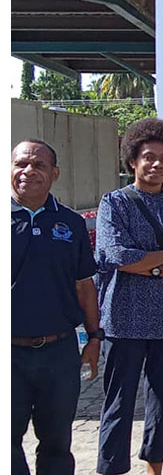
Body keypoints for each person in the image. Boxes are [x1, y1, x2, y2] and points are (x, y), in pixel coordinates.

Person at [94, 118, 163, 475]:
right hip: (123, 318)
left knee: (162, 400)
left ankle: (154, 467)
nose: (157, 164)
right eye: (149, 157)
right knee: (119, 401)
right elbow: (115, 255)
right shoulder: (114, 204)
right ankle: (111, 468)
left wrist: (145, 264)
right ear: (133, 161)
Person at [12, 139, 101, 475]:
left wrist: (95, 338)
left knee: (57, 445)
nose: (28, 171)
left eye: (38, 165)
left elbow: (84, 286)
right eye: (21, 164)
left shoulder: (71, 223)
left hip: (59, 353)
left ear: (55, 173)